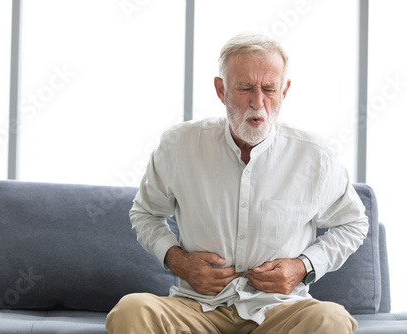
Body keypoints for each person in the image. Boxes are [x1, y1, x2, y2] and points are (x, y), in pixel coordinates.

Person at [106, 32, 369, 334]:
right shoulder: (179, 145)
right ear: (221, 89)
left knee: (331, 319)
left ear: (285, 90)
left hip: (278, 309)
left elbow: (353, 224)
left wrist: (303, 267)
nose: (258, 103)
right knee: (131, 310)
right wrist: (178, 261)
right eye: (245, 88)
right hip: (196, 307)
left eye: (269, 89)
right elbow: (145, 213)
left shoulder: (314, 156)